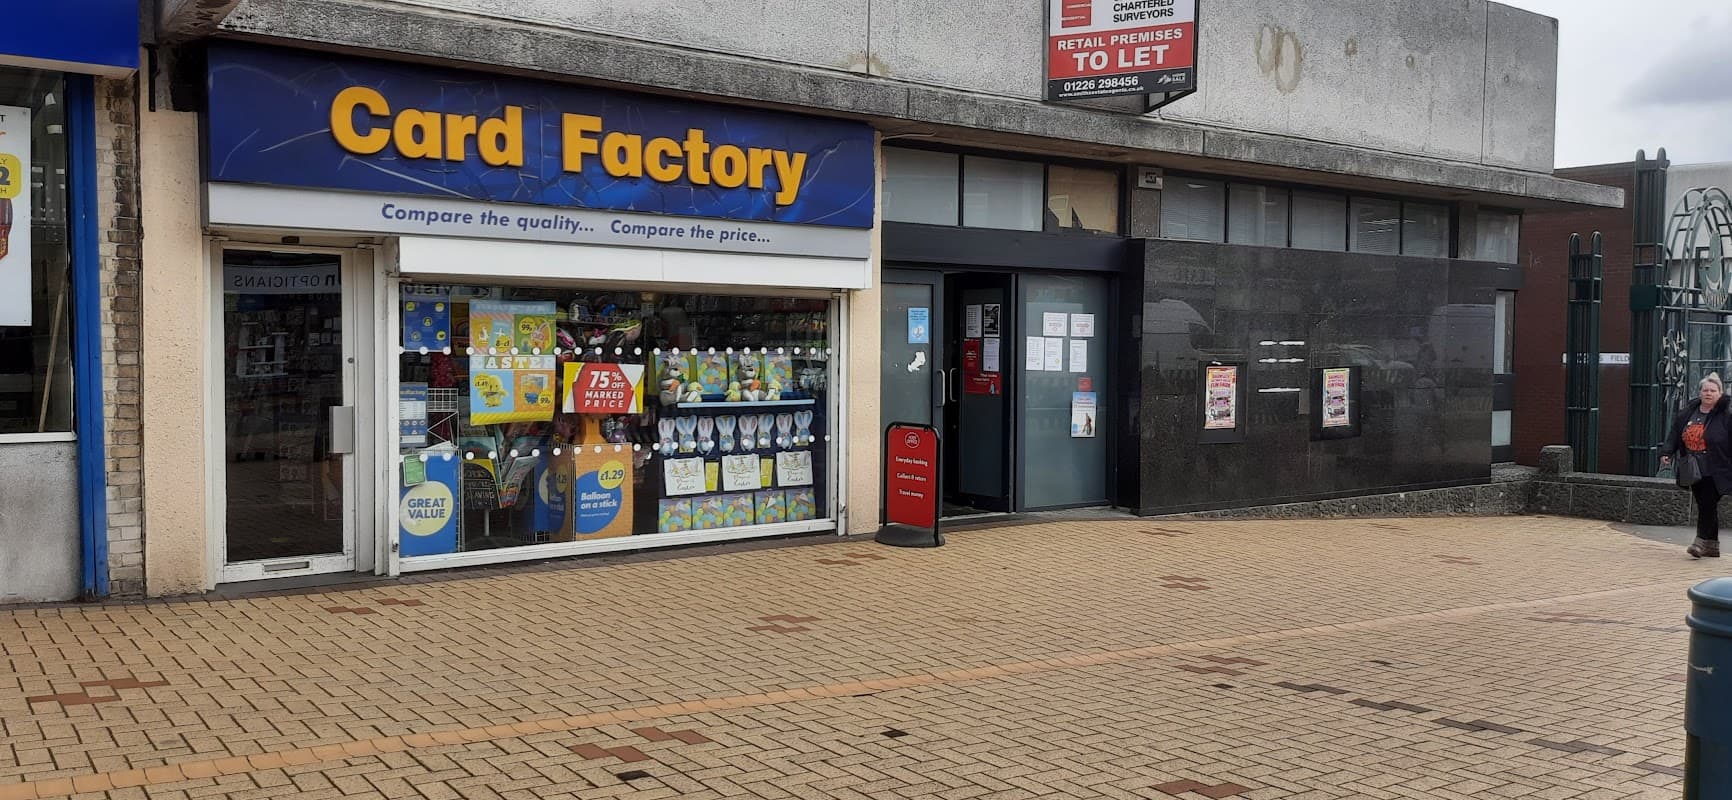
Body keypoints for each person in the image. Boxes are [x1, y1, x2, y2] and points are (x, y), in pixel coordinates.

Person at [1661, 373, 1730, 558]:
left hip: (1717, 468)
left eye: (1713, 391)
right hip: (1693, 467)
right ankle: (1712, 546)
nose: (1708, 393)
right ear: (1700, 392)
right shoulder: (1689, 412)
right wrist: (1667, 452)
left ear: (1720, 393)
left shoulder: (1726, 415)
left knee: (1707, 503)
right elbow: (1675, 433)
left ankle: (1699, 542)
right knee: (1705, 505)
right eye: (1705, 390)